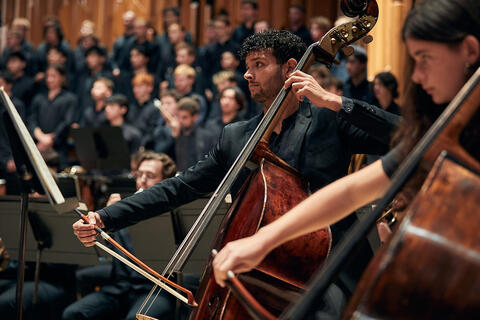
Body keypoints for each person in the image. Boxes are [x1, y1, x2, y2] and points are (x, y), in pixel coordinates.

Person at [72, 30, 398, 315]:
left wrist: (335, 101)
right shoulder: (237, 136)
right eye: (247, 66)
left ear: (290, 68)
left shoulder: (329, 120)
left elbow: (406, 135)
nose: (247, 74)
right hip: (257, 269)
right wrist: (105, 217)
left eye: (259, 64)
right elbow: (180, 187)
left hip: (326, 265)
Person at [211, 2, 480, 316]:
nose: (417, 76)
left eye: (425, 58)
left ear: (470, 50)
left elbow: (394, 133)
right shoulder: (449, 132)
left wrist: (333, 102)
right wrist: (262, 240)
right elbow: (353, 190)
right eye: (414, 60)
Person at [63, 151, 177, 320]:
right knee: (73, 314)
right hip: (121, 287)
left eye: (150, 175)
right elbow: (106, 254)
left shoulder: (173, 214)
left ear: (166, 181)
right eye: (139, 175)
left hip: (154, 289)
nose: (142, 180)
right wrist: (110, 221)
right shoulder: (123, 208)